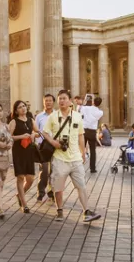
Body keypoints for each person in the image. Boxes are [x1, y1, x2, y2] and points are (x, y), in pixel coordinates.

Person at [43, 89, 102, 223]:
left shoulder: (77, 116)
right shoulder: (53, 116)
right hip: (59, 158)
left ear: (70, 101)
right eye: (60, 98)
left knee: (81, 186)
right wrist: (53, 142)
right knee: (58, 188)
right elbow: (45, 133)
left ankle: (86, 212)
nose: (62, 101)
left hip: (75, 158)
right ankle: (59, 211)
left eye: (64, 98)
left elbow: (81, 135)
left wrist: (83, 152)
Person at [8, 100, 38, 213]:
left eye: (24, 106)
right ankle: (24, 204)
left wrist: (33, 134)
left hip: (29, 151)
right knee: (20, 177)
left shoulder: (31, 120)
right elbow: (8, 137)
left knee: (30, 179)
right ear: (16, 110)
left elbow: (39, 132)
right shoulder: (14, 122)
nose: (23, 108)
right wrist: (21, 136)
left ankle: (19, 195)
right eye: (20, 107)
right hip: (18, 152)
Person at [34, 94, 56, 203]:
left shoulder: (58, 115)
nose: (48, 102)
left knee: (54, 170)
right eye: (46, 101)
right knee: (44, 171)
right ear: (43, 102)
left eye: (50, 100)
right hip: (42, 147)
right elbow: (36, 131)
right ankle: (41, 192)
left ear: (53, 102)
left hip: (54, 146)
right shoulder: (39, 116)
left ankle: (52, 192)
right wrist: (38, 144)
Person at [81, 96, 104, 173]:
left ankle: (78, 167)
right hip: (92, 131)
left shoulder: (86, 108)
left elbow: (80, 111)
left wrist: (85, 102)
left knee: (81, 149)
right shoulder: (100, 112)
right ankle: (92, 168)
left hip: (84, 130)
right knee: (92, 150)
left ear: (93, 102)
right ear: (100, 104)